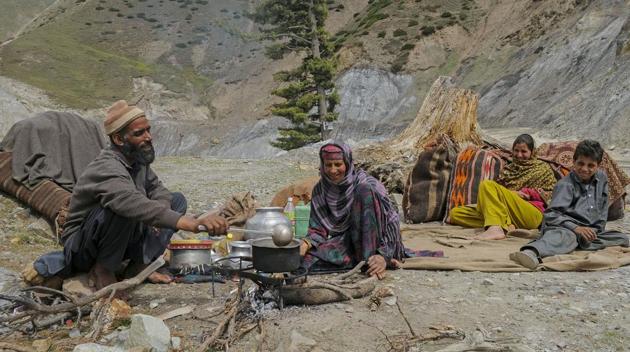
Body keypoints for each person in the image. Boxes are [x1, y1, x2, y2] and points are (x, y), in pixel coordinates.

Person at [57, 100, 227, 292]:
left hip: (123, 236)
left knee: (176, 200)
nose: (149, 137)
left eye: (148, 130)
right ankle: (103, 269)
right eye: (139, 133)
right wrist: (191, 224)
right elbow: (130, 202)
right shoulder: (106, 167)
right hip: (83, 247)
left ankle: (139, 263)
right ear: (119, 140)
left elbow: (158, 189)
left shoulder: (137, 160)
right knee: (121, 210)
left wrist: (161, 212)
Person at [299, 142, 413, 279]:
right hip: (348, 242)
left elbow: (391, 221)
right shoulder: (320, 190)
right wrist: (306, 243)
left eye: (338, 164)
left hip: (377, 243)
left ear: (347, 163)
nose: (333, 170)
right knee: (303, 261)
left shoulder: (367, 184)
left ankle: (373, 260)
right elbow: (317, 230)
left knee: (363, 192)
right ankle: (363, 262)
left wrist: (384, 255)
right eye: (328, 165)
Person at [510, 140, 629, 269]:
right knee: (566, 237)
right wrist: (576, 228)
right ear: (574, 161)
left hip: (589, 231)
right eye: (581, 163)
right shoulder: (565, 185)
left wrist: (595, 230)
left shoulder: (602, 179)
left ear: (598, 166)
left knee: (622, 238)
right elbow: (551, 215)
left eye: (591, 165)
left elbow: (603, 208)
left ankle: (576, 243)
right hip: (564, 228)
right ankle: (531, 252)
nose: (584, 169)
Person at [448, 134, 557, 240]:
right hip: (507, 213)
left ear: (532, 152)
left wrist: (527, 193)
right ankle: (506, 226)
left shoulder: (542, 168)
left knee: (487, 185)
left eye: (524, 151)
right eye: (516, 151)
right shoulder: (508, 170)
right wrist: (510, 195)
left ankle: (495, 228)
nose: (519, 155)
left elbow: (552, 195)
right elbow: (495, 199)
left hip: (532, 214)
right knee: (455, 214)